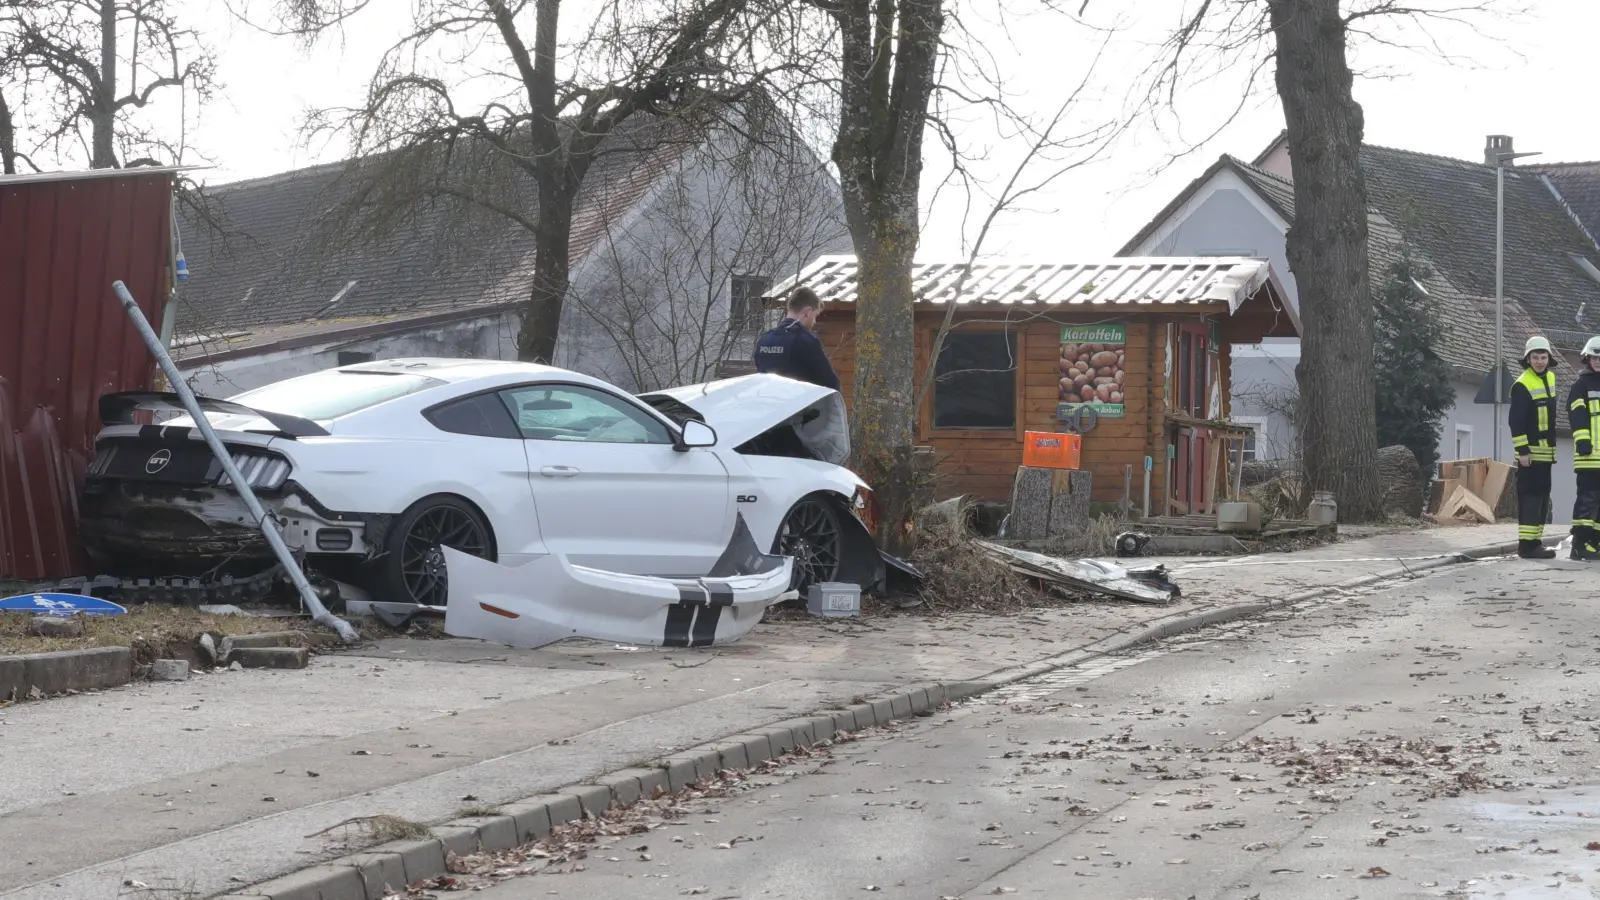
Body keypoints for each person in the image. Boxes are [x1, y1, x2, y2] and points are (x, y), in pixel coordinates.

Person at [1509, 335, 1558, 559]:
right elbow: (1516, 422)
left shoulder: (1551, 378)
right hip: (1530, 455)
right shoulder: (1522, 384)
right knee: (1530, 499)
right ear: (1528, 359)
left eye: (1543, 357)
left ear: (1549, 359)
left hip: (1546, 454)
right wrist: (1523, 452)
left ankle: (1536, 543)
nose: (1539, 361)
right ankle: (1527, 546)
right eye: (1535, 357)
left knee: (1542, 499)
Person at [754, 286, 841, 391]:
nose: (814, 321)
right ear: (807, 311)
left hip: (768, 399)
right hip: (798, 400)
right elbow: (829, 384)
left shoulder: (764, 340)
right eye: (815, 315)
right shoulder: (806, 341)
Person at [1568, 336, 1600, 561]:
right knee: (1587, 502)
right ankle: (1579, 545)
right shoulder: (1581, 385)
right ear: (1587, 359)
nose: (1597, 361)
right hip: (1589, 457)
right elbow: (1577, 415)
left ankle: (1594, 543)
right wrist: (1583, 442)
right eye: (1594, 357)